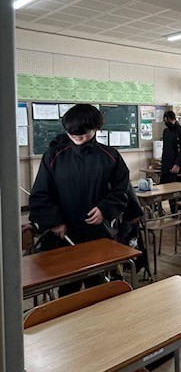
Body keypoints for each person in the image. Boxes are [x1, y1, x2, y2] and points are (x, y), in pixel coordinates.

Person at [29, 104, 130, 296]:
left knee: (98, 284)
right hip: (65, 232)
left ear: (96, 128)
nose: (77, 137)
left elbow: (121, 190)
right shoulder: (54, 156)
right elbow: (40, 194)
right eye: (71, 133)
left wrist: (105, 209)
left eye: (83, 134)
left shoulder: (110, 156)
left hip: (98, 231)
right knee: (68, 286)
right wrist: (54, 222)